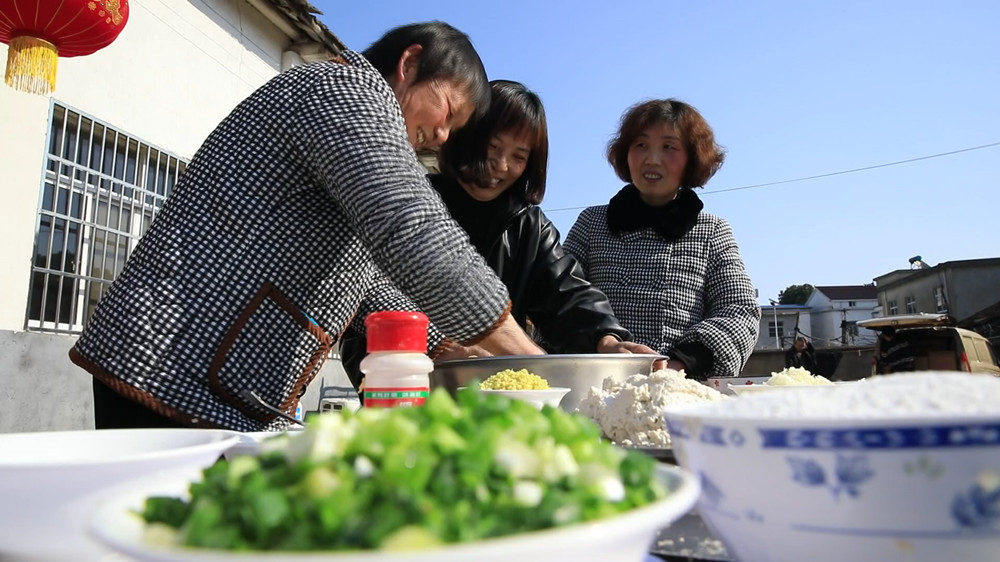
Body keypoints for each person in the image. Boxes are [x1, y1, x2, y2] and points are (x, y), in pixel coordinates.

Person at [69, 21, 544, 432]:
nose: (441, 135)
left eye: (454, 130)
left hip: (206, 375)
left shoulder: (350, 129)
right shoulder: (346, 91)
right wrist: (528, 360)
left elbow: (366, 280)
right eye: (448, 111)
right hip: (170, 360)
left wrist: (446, 344)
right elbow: (413, 231)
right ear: (410, 64)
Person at [339, 80, 657, 389]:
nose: (501, 166)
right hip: (398, 382)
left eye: (519, 157)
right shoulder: (408, 201)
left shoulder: (528, 224)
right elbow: (370, 299)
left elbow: (568, 293)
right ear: (463, 135)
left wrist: (606, 339)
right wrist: (436, 346)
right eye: (492, 147)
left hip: (494, 392)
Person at [563, 99, 761, 380]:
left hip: (681, 392)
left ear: (692, 157)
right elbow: (561, 300)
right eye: (641, 145)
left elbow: (740, 310)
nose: (651, 159)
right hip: (597, 386)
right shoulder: (591, 223)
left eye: (668, 147)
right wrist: (602, 341)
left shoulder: (712, 230)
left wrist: (683, 363)